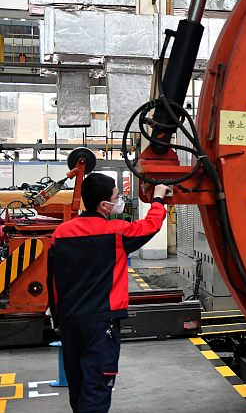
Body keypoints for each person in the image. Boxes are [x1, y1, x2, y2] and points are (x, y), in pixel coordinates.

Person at [46, 173, 171, 413]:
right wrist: (158, 199)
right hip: (100, 324)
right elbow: (150, 225)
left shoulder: (61, 233)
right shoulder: (116, 233)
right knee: (96, 389)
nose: (120, 199)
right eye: (117, 196)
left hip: (70, 324)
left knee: (79, 386)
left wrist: (57, 320)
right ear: (104, 205)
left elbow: (52, 279)